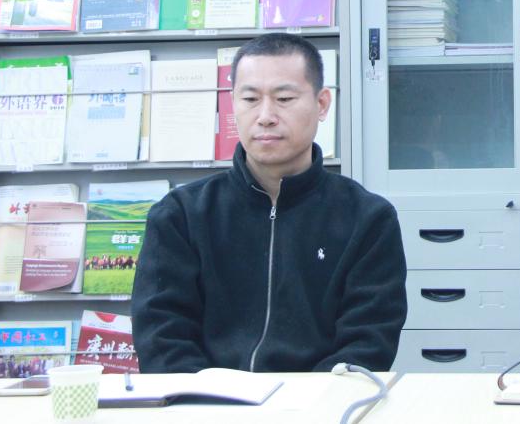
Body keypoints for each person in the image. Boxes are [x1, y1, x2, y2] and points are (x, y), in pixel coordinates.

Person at [132, 33, 407, 373]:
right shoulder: (181, 215)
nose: (265, 116)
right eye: (250, 98)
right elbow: (161, 336)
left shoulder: (367, 219)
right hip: (204, 399)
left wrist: (305, 400)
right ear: (233, 104)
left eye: (284, 98)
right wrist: (206, 397)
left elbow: (368, 342)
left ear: (322, 104)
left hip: (323, 401)